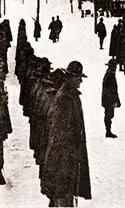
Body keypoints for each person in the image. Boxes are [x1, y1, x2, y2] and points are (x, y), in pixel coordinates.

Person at [41, 61, 91, 207]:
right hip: (63, 156)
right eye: (78, 78)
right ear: (69, 78)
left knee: (65, 191)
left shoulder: (71, 96)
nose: (80, 81)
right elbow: (59, 131)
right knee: (62, 192)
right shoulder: (64, 98)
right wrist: (69, 154)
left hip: (68, 154)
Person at [102, 59, 120, 138]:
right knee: (108, 115)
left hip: (108, 99)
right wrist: (113, 100)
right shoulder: (110, 75)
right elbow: (110, 89)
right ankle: (108, 131)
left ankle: (108, 131)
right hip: (109, 99)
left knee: (109, 115)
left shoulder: (109, 74)